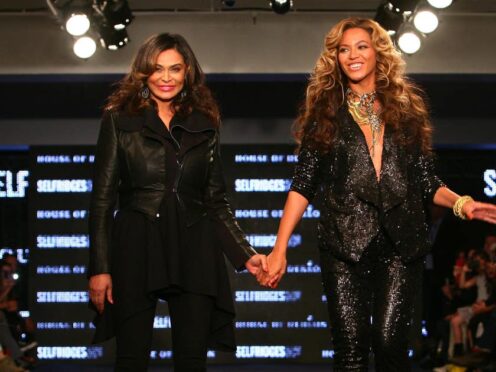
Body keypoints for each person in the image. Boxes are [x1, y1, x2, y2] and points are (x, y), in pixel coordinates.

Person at [259, 17, 496, 371]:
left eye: (361, 46)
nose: (352, 55)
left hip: (400, 245)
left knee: (389, 345)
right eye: (343, 49)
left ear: (378, 53)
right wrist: (279, 249)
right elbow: (303, 183)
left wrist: (462, 203)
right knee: (351, 351)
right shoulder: (324, 114)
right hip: (343, 244)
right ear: (335, 58)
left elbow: (426, 180)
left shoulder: (408, 109)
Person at [88, 33, 268, 371]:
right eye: (157, 69)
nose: (166, 78)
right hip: (136, 243)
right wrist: (99, 267)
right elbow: (102, 200)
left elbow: (215, 201)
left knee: (191, 361)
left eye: (175, 69)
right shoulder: (119, 120)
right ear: (144, 72)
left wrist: (246, 256)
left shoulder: (206, 123)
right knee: (130, 360)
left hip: (194, 244)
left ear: (187, 73)